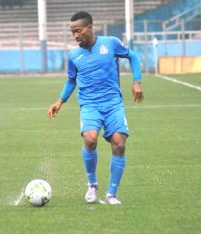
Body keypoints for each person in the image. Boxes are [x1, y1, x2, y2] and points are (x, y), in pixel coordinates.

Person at [47, 11, 143, 205]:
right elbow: (71, 80)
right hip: (89, 104)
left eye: (78, 31)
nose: (75, 36)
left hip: (113, 103)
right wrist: (59, 101)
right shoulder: (74, 55)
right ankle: (92, 185)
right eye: (72, 32)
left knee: (119, 144)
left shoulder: (110, 43)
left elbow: (132, 56)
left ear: (90, 28)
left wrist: (136, 82)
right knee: (90, 139)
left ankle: (111, 194)